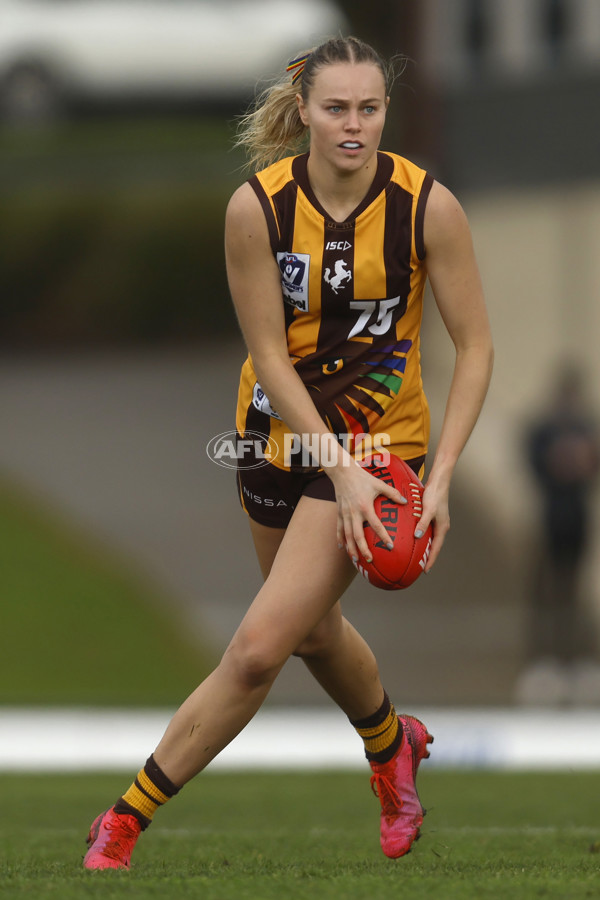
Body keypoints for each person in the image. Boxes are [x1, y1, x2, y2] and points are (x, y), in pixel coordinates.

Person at [83, 36, 493, 870]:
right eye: (336, 108)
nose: (354, 126)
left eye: (369, 109)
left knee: (260, 647)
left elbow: (477, 347)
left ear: (387, 111)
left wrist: (436, 477)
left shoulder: (427, 207)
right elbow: (270, 353)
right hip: (272, 437)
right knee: (310, 632)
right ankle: (392, 743)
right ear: (303, 109)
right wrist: (328, 469)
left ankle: (124, 819)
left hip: (381, 446)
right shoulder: (258, 208)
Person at [516, 363, 600, 705]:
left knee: (572, 593)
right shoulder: (543, 430)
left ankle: (576, 663)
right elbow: (533, 462)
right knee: (545, 593)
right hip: (548, 519)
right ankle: (543, 664)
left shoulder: (588, 429)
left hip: (577, 521)